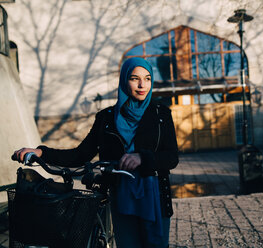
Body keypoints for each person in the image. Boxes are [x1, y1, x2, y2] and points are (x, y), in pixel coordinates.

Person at [12, 57, 179, 248]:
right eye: (135, 78)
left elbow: (171, 158)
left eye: (147, 78)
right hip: (121, 196)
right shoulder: (106, 117)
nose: (142, 85)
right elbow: (80, 155)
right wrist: (41, 152)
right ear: (124, 80)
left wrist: (142, 157)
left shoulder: (161, 114)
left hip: (154, 196)